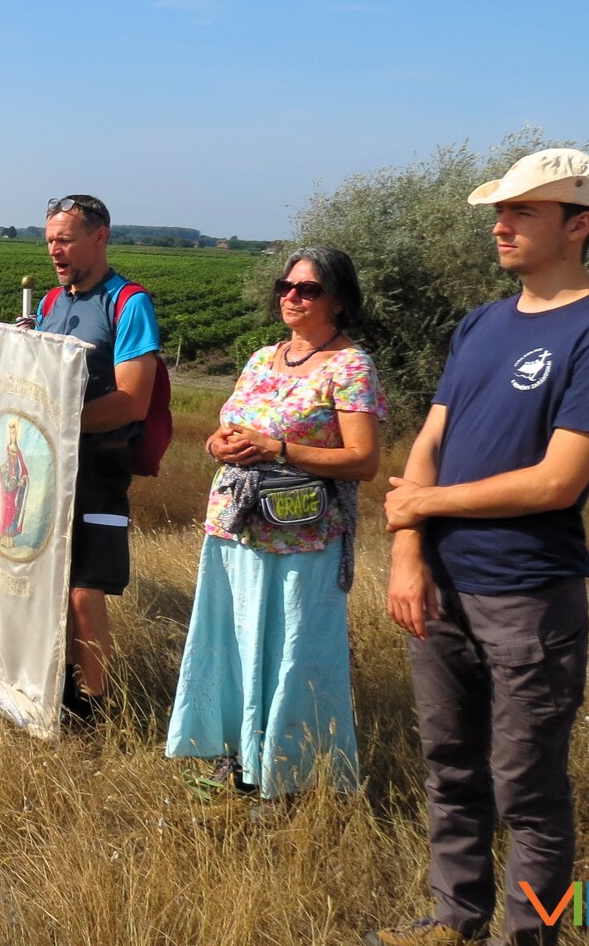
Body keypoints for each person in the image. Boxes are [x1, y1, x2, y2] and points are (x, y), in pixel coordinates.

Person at [368, 149, 589, 946]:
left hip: (526, 594)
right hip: (438, 586)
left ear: (578, 224)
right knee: (450, 770)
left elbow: (557, 481)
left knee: (526, 790)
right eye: (500, 211)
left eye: (522, 211)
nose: (501, 225)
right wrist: (407, 555)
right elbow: (429, 441)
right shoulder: (481, 323)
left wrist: (420, 504)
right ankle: (453, 921)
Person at [165, 246, 385, 800]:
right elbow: (229, 427)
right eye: (286, 286)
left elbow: (363, 460)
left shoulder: (351, 366)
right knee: (233, 640)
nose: (292, 296)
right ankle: (236, 757)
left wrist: (278, 449)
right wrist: (218, 444)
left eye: (308, 289)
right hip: (235, 527)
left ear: (338, 300)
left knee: (293, 650)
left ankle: (290, 777)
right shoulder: (263, 357)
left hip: (302, 537)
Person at [28, 194, 160, 723]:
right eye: (49, 242)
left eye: (64, 240)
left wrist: (60, 421)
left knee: (85, 590)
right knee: (48, 583)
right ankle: (56, 687)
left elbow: (133, 400)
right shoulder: (50, 303)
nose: (54, 251)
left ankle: (94, 707)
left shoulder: (129, 303)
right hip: (47, 464)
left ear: (99, 237)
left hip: (101, 468)